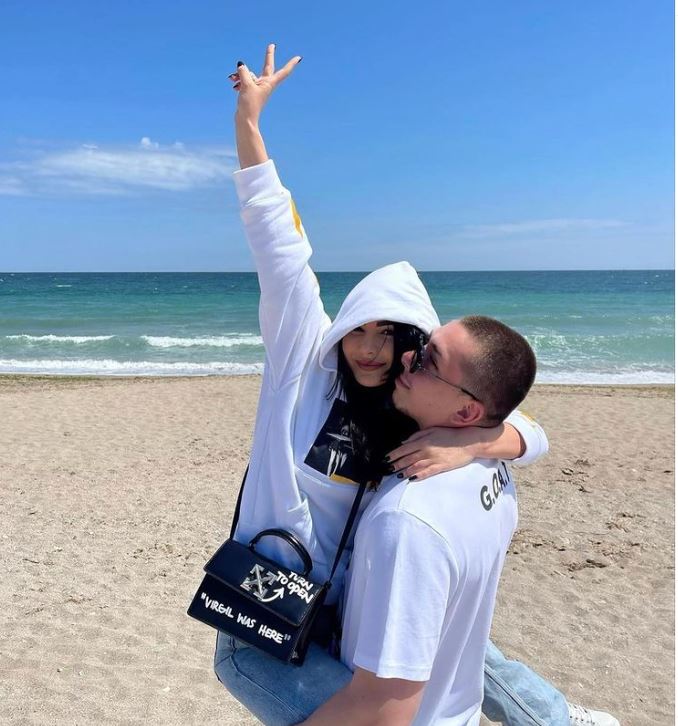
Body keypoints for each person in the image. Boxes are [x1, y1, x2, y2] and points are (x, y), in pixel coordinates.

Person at [213, 45, 619, 726]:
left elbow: (529, 428)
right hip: (273, 591)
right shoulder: (302, 363)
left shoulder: (415, 404)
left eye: (391, 336)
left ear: (414, 347)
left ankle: (556, 720)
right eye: (359, 330)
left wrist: (474, 444)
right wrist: (249, 126)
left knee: (455, 650)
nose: (370, 350)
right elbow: (280, 249)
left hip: (355, 603)